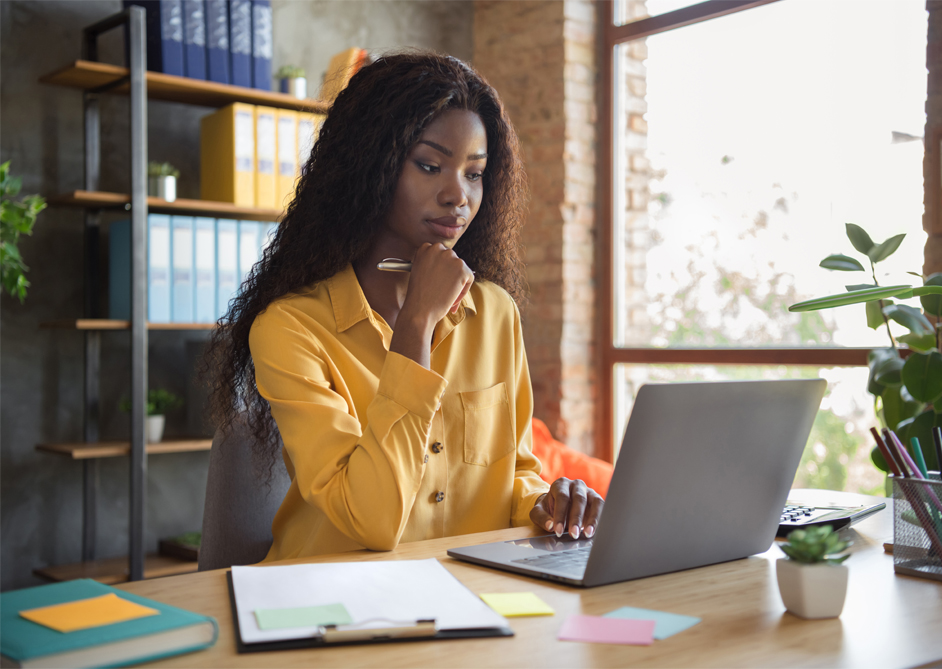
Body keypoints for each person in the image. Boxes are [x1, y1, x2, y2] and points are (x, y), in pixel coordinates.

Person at [204, 52, 603, 561]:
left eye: (475, 174)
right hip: (333, 603)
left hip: (472, 597)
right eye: (431, 165)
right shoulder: (290, 328)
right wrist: (416, 324)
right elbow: (372, 520)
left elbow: (515, 472)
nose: (457, 196)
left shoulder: (495, 313)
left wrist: (547, 504)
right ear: (373, 164)